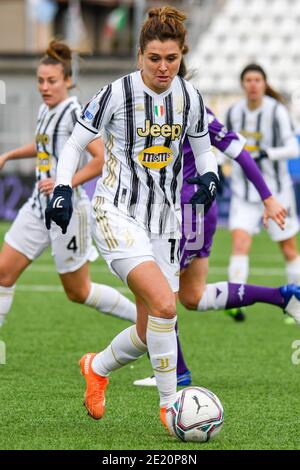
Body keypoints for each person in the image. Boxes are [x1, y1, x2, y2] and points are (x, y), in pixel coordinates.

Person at [45, 6, 221, 432]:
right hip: (116, 212)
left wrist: (211, 177)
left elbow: (201, 147)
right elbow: (74, 145)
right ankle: (171, 407)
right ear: (139, 55)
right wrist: (65, 187)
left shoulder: (189, 96)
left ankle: (97, 366)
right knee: (165, 306)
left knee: (149, 331)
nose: (163, 67)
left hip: (166, 220)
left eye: (172, 58)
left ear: (182, 56)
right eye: (154, 58)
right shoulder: (114, 94)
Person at [134, 106, 300, 388]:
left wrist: (268, 198)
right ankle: (283, 296)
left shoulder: (189, 108)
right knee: (193, 296)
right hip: (188, 212)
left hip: (186, 212)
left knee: (158, 294)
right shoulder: (150, 106)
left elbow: (239, 151)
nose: (160, 68)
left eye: (168, 60)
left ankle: (178, 372)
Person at [0, 40, 137, 329]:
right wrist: (9, 155)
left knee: (79, 291)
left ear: (68, 81)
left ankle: (143, 321)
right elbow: (44, 146)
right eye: (40, 81)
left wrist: (66, 183)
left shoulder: (76, 112)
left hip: (68, 211)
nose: (44, 87)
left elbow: (101, 159)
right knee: (3, 273)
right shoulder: (45, 110)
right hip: (38, 207)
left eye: (52, 81)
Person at [226, 63, 300, 320]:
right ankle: (236, 302)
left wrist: (267, 153)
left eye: (258, 79)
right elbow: (225, 147)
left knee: (289, 249)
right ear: (242, 84)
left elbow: (294, 148)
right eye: (248, 80)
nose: (253, 84)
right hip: (244, 194)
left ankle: (296, 305)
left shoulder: (276, 111)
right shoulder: (234, 112)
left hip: (277, 195)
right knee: (239, 243)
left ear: (264, 83)